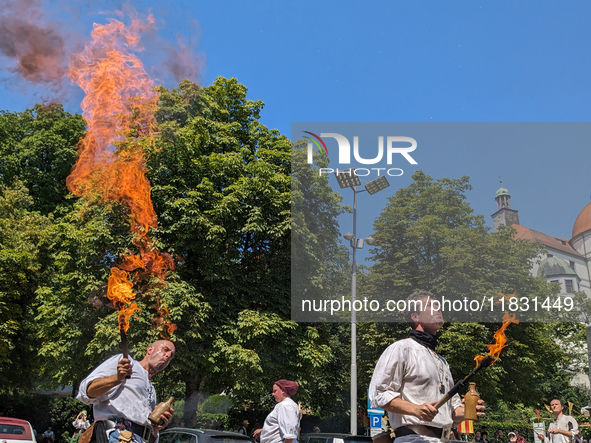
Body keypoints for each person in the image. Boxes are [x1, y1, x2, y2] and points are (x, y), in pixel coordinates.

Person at [369, 291, 485, 443]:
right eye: (430, 305)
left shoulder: (442, 361)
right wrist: (415, 409)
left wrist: (469, 412)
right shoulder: (401, 349)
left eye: (438, 305)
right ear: (415, 316)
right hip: (414, 439)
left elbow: (452, 411)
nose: (438, 308)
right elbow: (378, 394)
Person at [76, 340, 176, 443]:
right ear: (150, 349)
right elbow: (87, 392)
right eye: (165, 350)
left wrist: (155, 429)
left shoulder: (152, 391)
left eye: (171, 355)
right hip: (117, 435)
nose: (168, 355)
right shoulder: (126, 363)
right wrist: (117, 379)